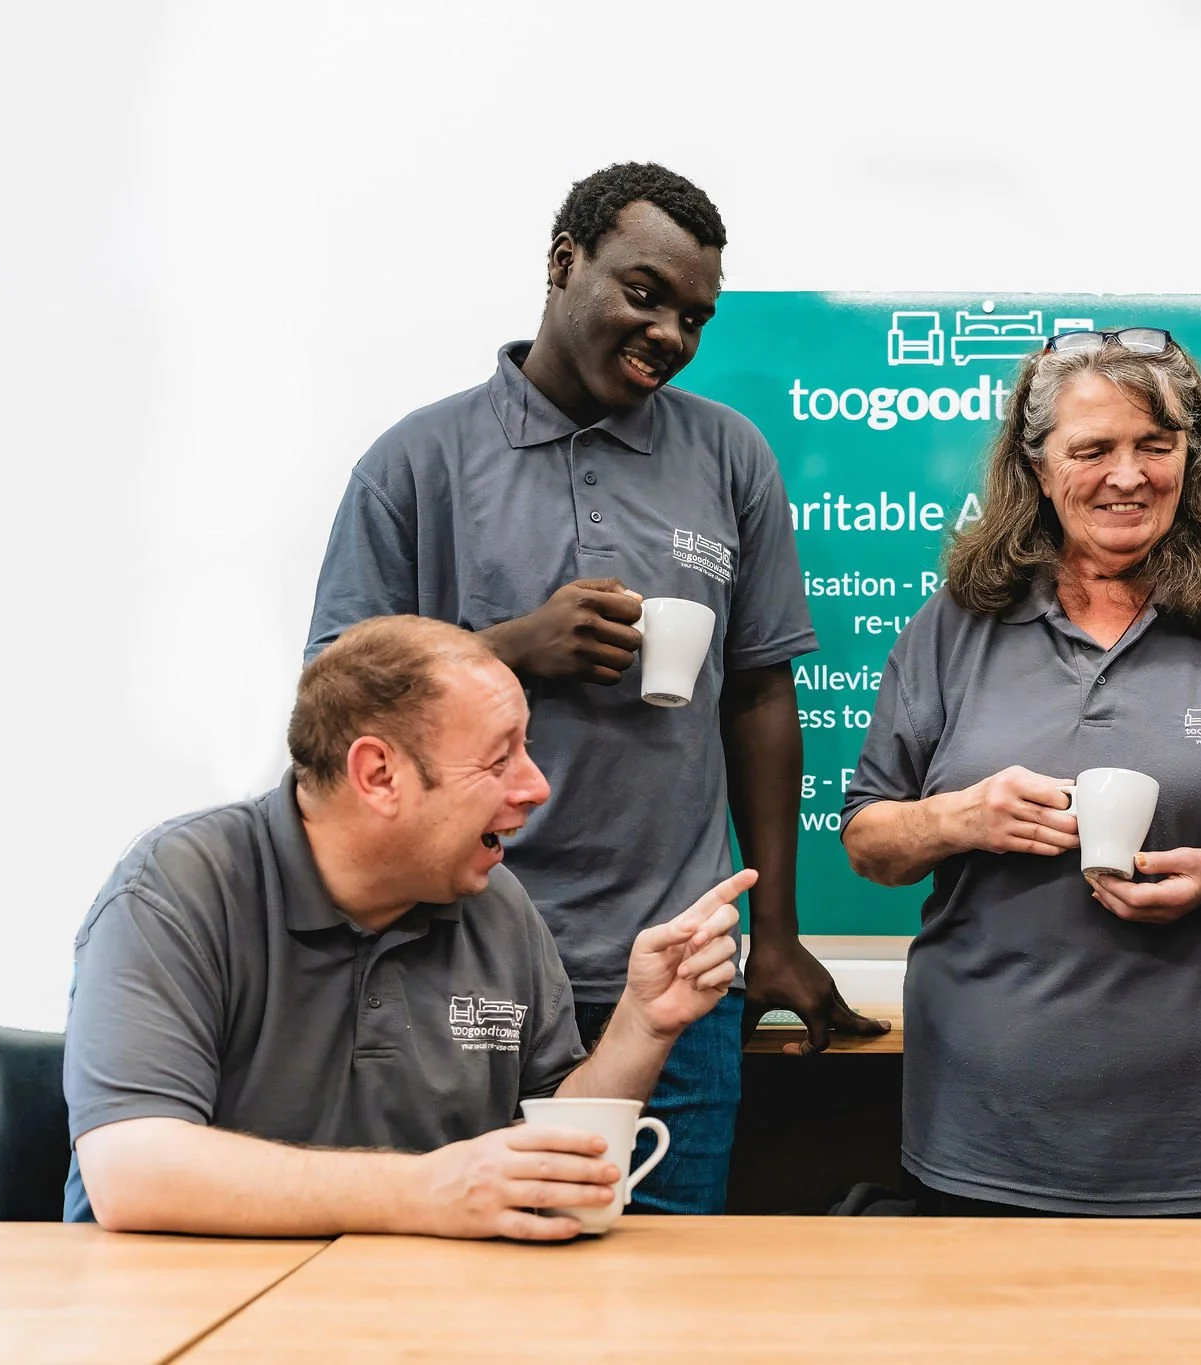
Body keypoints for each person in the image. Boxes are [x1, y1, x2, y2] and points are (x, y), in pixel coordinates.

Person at [306, 163, 884, 1215]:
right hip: (449, 963)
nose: (669, 333)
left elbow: (758, 697)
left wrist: (776, 934)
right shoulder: (416, 463)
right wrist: (512, 648)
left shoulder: (729, 455)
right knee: (454, 1270)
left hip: (675, 975)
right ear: (564, 263)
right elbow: (330, 714)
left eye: (694, 317)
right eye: (644, 294)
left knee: (663, 1282)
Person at [841, 327, 1201, 1216]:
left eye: (1155, 446)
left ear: (1192, 457)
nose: (1127, 476)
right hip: (990, 1128)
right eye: (1092, 449)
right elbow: (870, 840)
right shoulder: (959, 621)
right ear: (1037, 465)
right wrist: (960, 818)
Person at [65, 618, 751, 1238]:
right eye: (499, 759)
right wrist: (430, 1190)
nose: (537, 786)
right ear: (378, 774)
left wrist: (642, 1025)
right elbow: (133, 1169)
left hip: (425, 1309)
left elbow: (550, 1149)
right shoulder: (176, 889)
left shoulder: (498, 905)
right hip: (192, 1308)